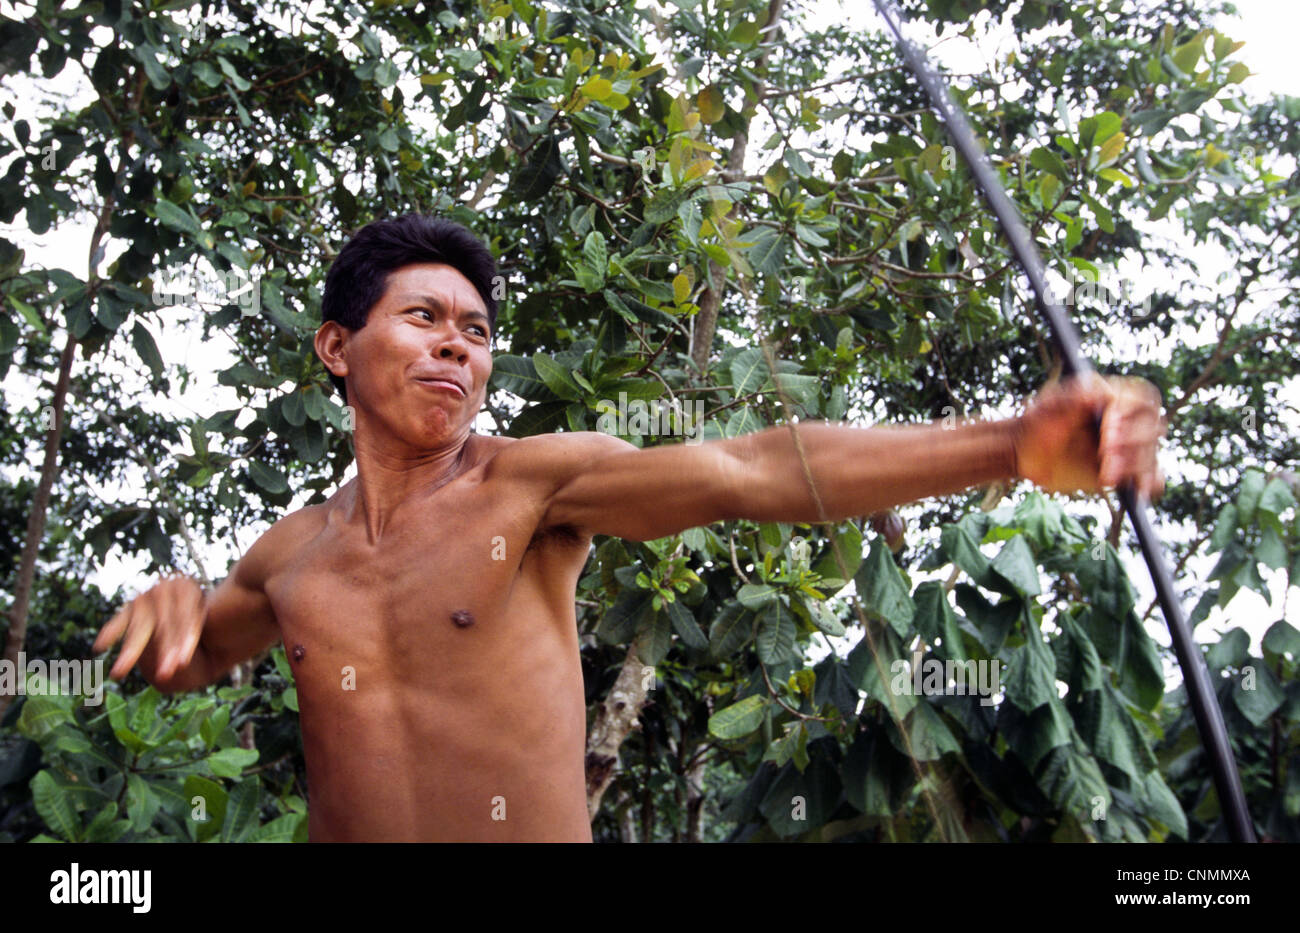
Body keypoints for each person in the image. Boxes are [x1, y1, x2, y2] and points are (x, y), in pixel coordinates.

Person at [93, 214, 1166, 842]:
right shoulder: (291, 555)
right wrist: (167, 609)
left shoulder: (532, 486)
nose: (455, 350)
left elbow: (748, 469)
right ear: (337, 348)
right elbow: (186, 663)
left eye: (475, 333)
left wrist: (1005, 445)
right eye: (422, 320)